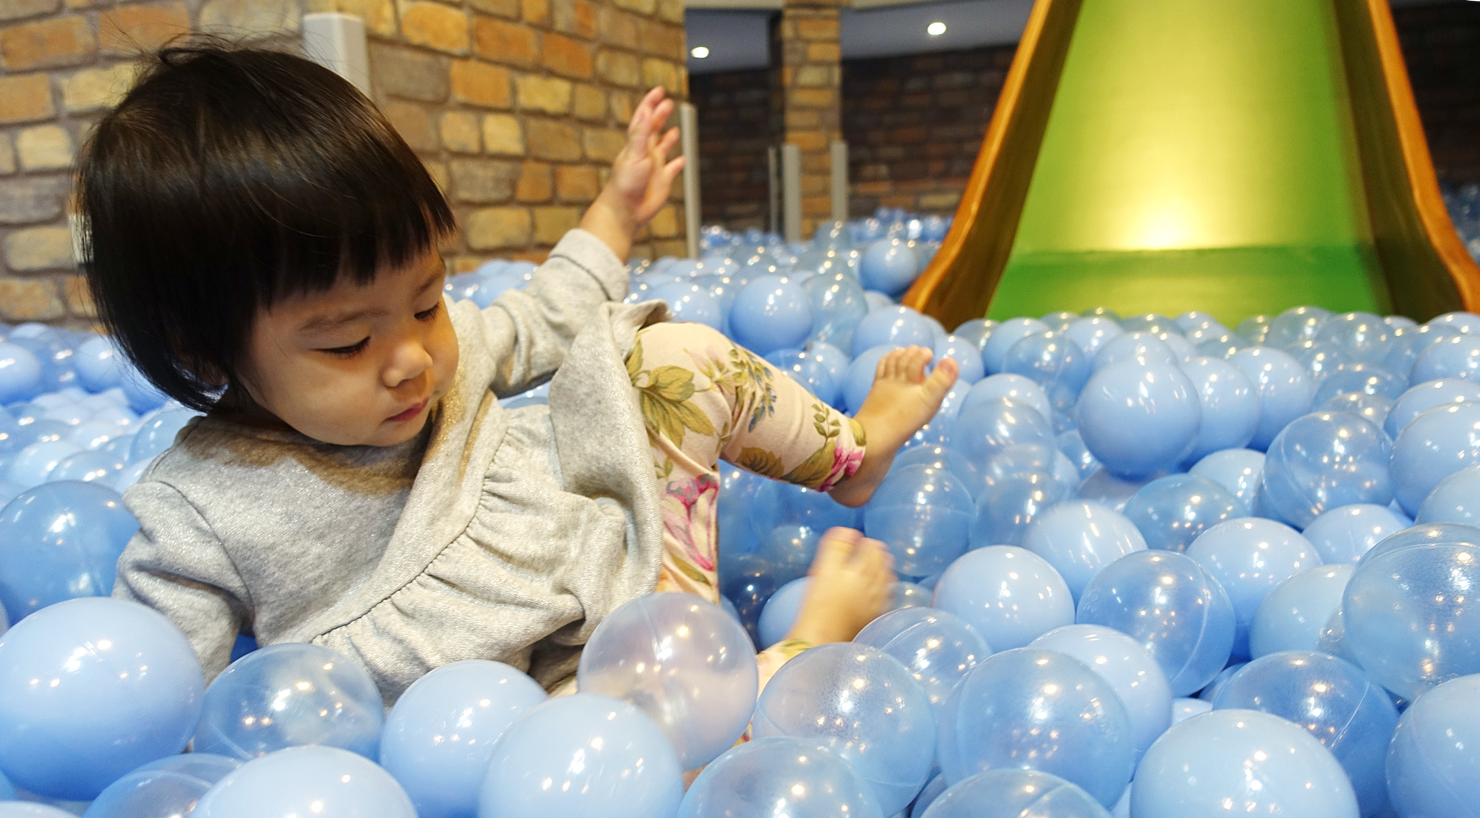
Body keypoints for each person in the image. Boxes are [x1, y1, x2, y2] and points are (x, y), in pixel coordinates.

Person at [78, 43, 957, 702]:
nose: (411, 359)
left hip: (634, 565)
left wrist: (615, 212)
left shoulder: (438, 357)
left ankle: (854, 453)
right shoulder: (200, 511)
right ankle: (796, 656)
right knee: (613, 764)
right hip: (519, 708)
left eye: (425, 300)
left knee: (671, 360)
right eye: (346, 343)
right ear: (207, 354)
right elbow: (155, 702)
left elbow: (548, 312)